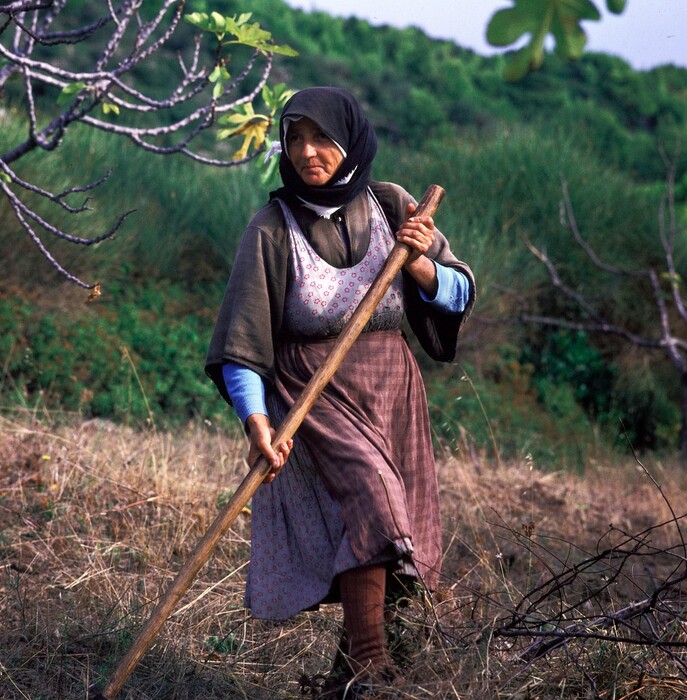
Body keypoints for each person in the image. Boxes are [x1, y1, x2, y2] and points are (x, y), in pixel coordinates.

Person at [205, 86, 476, 695]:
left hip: (392, 388)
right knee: (374, 497)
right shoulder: (271, 228)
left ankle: (347, 675)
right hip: (315, 391)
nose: (306, 153)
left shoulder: (393, 206)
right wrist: (257, 425)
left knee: (398, 526)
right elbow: (241, 343)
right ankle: (372, 670)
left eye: (321, 138)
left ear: (350, 140)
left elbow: (458, 293)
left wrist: (420, 266)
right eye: (294, 139)